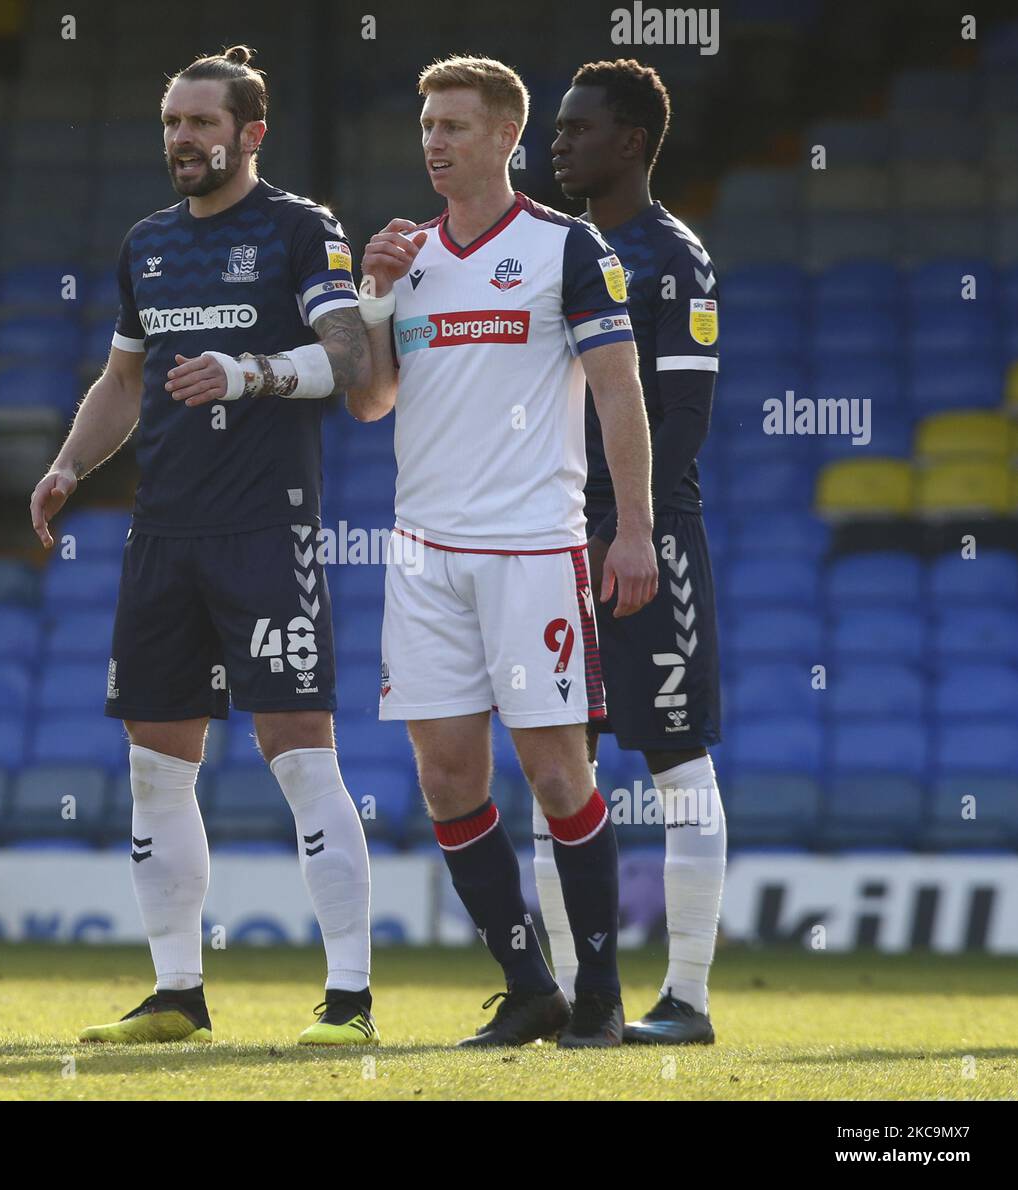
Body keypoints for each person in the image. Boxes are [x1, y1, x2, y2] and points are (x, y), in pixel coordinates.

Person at [29, 46, 378, 1047]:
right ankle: (176, 992)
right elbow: (124, 382)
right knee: (154, 768)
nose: (182, 138)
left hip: (267, 526)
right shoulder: (145, 244)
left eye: (200, 123)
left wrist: (247, 371)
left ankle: (348, 1000)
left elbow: (351, 361)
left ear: (249, 132)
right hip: (164, 533)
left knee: (301, 761)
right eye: (172, 122)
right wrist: (68, 466)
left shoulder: (298, 228)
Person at [347, 55, 658, 1048]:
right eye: (426, 124)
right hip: (423, 553)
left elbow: (618, 390)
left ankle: (601, 992)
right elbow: (368, 400)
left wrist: (638, 525)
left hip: (532, 550)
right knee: (446, 777)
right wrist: (371, 295)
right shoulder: (409, 257)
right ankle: (529, 983)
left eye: (454, 126)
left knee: (557, 774)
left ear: (504, 138)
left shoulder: (566, 247)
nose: (434, 142)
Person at [544, 58, 725, 1045]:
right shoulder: (547, 250)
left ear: (631, 142)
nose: (557, 141)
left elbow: (682, 419)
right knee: (552, 754)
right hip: (547, 538)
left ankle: (687, 995)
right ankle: (577, 993)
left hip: (643, 538)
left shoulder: (673, 257)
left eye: (577, 127)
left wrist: (632, 531)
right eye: (557, 126)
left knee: (674, 757)